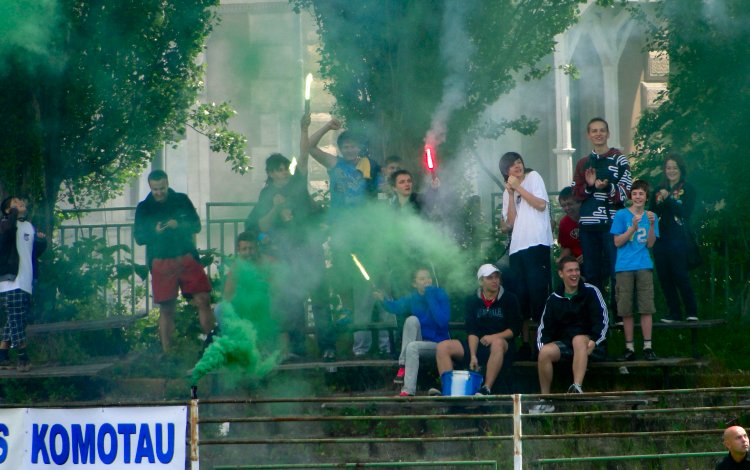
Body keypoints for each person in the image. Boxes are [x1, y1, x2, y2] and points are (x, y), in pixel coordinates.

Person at [304, 117, 388, 357]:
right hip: (341, 233)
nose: (350, 149)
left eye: (354, 145)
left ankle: (374, 342)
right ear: (341, 148)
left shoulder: (369, 165)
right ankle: (353, 330)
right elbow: (309, 147)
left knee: (369, 283)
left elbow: (385, 188)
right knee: (344, 284)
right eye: (346, 146)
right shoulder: (335, 164)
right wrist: (327, 127)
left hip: (364, 233)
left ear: (360, 147)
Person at [244, 149, 335, 361]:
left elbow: (304, 158)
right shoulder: (266, 195)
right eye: (279, 170)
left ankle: (328, 348)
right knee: (293, 300)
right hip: (287, 253)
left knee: (319, 298)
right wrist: (276, 209)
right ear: (270, 173)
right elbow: (260, 225)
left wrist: (305, 130)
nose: (284, 173)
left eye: (285, 169)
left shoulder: (297, 185)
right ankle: (298, 349)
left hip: (309, 248)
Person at [134, 170, 214, 352]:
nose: (159, 192)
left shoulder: (181, 200)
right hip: (161, 262)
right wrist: (154, 231)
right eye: (155, 189)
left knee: (203, 299)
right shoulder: (144, 208)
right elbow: (139, 237)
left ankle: (211, 343)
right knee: (167, 308)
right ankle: (168, 352)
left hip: (186, 257)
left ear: (167, 184)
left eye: (161, 188)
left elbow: (196, 225)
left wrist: (178, 224)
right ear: (150, 187)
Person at [531, 256, 608, 413]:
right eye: (570, 270)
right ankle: (545, 400)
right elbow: (544, 330)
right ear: (561, 274)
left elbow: (603, 321)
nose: (574, 274)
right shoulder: (553, 299)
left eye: (577, 270)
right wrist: (541, 347)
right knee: (545, 352)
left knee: (579, 339)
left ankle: (576, 388)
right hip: (566, 346)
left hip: (592, 346)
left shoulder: (591, 292)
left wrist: (594, 341)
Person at [572, 117, 632, 319]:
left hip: (613, 225)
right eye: (594, 131)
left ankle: (619, 315)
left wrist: (606, 187)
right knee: (592, 273)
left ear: (608, 133)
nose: (598, 134)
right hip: (589, 226)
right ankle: (596, 316)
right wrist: (589, 186)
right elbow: (576, 194)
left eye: (602, 130)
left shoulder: (619, 159)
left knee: (617, 271)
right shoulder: (582, 163)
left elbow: (626, 192)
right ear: (588, 135)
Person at [434, 264, 521, 396]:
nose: (494, 281)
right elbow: (472, 330)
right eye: (490, 278)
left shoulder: (510, 299)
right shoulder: (472, 300)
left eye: (497, 277)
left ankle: (486, 388)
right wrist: (473, 355)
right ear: (481, 281)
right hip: (476, 344)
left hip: (501, 347)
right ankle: (448, 390)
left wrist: (494, 337)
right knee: (443, 347)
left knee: (498, 342)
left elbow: (514, 329)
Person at [498, 152, 553, 359]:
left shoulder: (533, 177)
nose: (517, 166)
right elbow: (511, 222)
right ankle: (524, 344)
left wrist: (519, 187)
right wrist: (511, 194)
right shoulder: (507, 192)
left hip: (537, 243)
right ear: (505, 171)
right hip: (517, 248)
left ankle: (542, 341)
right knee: (521, 297)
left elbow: (540, 205)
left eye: (519, 162)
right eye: (512, 165)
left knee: (539, 294)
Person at [374, 266, 450, 397]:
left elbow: (442, 322)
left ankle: (408, 391)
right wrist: (382, 300)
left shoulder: (440, 294)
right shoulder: (413, 298)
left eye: (428, 278)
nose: (427, 281)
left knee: (412, 347)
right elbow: (396, 307)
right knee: (411, 320)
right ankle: (403, 365)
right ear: (414, 284)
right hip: (422, 342)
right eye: (422, 279)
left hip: (439, 344)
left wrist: (430, 297)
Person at [611, 179, 659, 361]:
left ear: (646, 197)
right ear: (631, 196)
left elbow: (651, 243)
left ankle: (648, 346)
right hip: (624, 266)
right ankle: (629, 347)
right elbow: (617, 242)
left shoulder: (652, 216)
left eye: (641, 194)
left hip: (644, 265)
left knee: (646, 307)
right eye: (635, 193)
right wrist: (633, 227)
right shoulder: (622, 215)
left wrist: (652, 225)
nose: (638, 197)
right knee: (626, 309)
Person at [650, 154, 699, 322]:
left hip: (679, 239)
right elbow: (652, 214)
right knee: (665, 277)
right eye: (668, 167)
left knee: (680, 275)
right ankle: (674, 313)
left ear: (681, 169)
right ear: (665, 170)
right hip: (660, 240)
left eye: (675, 168)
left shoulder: (688, 188)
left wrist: (669, 198)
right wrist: (659, 201)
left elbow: (686, 212)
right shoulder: (657, 190)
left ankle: (691, 312)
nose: (671, 171)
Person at [0, 197, 46, 372]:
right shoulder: (5, 224)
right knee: (16, 318)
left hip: (26, 280)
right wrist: (11, 213)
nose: (20, 204)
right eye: (15, 203)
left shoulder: (29, 226)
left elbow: (34, 253)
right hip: (10, 280)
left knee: (17, 318)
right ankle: (23, 357)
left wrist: (42, 241)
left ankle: (2, 355)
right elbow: (8, 233)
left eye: (21, 202)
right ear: (7, 211)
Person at [557, 186, 583, 264]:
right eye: (563, 205)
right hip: (576, 262)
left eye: (570, 204)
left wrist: (588, 254)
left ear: (579, 202)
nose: (567, 208)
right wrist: (562, 259)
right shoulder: (564, 223)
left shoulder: (590, 218)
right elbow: (566, 247)